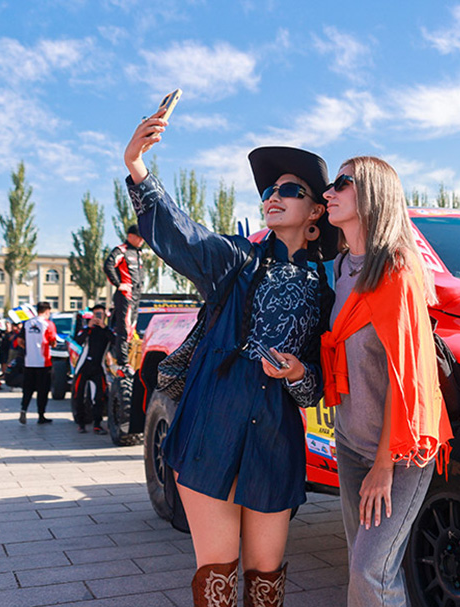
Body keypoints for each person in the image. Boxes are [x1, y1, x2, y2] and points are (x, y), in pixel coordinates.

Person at [125, 111, 337, 607]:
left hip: (275, 440)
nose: (273, 196)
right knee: (217, 580)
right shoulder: (235, 260)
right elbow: (183, 236)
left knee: (267, 584)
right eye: (268, 191)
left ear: (315, 215)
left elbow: (316, 389)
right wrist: (137, 166)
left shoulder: (326, 291)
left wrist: (300, 372)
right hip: (213, 426)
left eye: (290, 190)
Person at [321, 156, 452, 607]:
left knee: (370, 571)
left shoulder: (396, 269)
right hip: (352, 439)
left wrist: (383, 465)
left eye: (341, 183)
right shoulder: (342, 270)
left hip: (399, 451)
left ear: (373, 193)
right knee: (364, 568)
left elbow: (407, 376)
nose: (328, 192)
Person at [104, 224, 144, 374]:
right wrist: (118, 284)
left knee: (132, 327)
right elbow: (108, 265)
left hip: (136, 296)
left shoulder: (138, 253)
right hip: (125, 296)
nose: (141, 241)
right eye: (139, 237)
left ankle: (129, 359)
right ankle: (123, 362)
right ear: (130, 236)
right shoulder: (121, 250)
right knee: (125, 327)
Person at [72, 304, 113, 434]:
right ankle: (81, 424)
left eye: (100, 315)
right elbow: (77, 341)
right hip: (83, 367)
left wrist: (104, 327)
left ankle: (97, 424)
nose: (97, 317)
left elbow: (115, 340)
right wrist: (88, 327)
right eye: (96, 315)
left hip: (98, 367)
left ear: (105, 316)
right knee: (79, 395)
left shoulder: (107, 331)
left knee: (99, 396)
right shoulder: (87, 329)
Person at [19, 302, 58, 425]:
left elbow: (20, 340)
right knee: (43, 390)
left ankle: (23, 409)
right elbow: (53, 342)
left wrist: (28, 347)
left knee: (28, 389)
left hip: (29, 362)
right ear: (47, 311)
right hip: (43, 363)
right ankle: (41, 416)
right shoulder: (48, 324)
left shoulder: (27, 323)